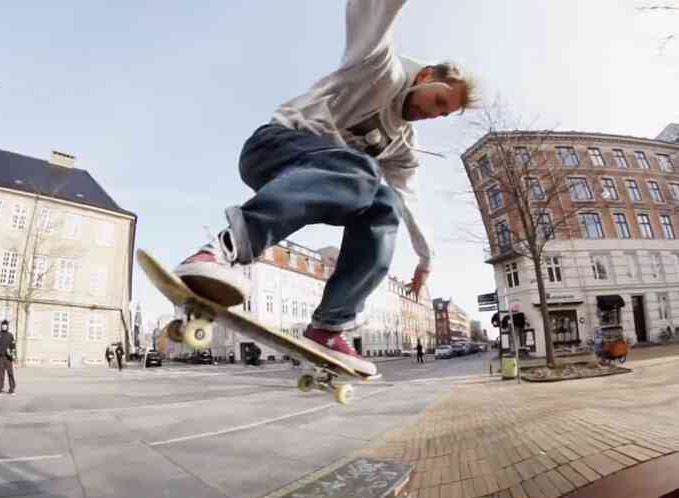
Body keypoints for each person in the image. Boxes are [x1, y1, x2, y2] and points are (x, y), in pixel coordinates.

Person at [174, 0, 477, 377]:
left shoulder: (403, 147)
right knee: (363, 169)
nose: (433, 114)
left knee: (384, 204)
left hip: (315, 178)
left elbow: (411, 199)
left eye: (443, 114)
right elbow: (372, 10)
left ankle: (328, 325)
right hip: (273, 147)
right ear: (426, 75)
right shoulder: (379, 67)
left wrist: (425, 261)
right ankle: (223, 250)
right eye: (438, 101)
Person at [0, 320, 16, 395]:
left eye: (5, 325)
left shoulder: (10, 335)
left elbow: (13, 346)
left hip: (8, 358)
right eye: (3, 325)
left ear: (7, 326)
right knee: (0, 374)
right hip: (0, 357)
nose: (4, 326)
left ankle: (11, 389)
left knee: (10, 373)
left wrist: (14, 355)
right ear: (1, 326)